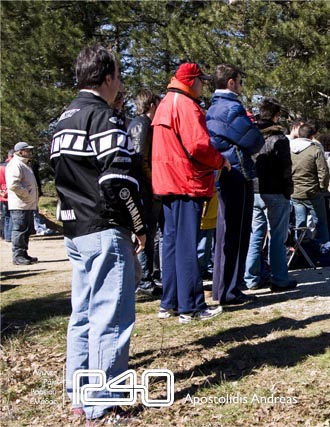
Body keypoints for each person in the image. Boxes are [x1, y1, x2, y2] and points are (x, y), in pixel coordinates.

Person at [51, 45, 146, 422]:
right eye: (118, 76)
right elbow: (118, 181)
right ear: (107, 78)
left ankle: (79, 393)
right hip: (104, 227)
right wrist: (139, 224)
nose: (120, 83)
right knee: (111, 316)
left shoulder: (63, 121)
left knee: (84, 313)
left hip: (75, 228)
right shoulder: (104, 118)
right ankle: (102, 403)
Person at [152, 62, 229, 322]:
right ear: (191, 81)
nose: (203, 85)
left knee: (172, 244)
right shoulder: (185, 105)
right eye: (201, 80)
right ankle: (191, 307)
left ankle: (170, 302)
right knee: (187, 245)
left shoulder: (165, 103)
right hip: (186, 182)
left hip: (167, 182)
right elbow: (198, 146)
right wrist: (220, 161)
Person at [207, 64, 265, 305]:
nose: (241, 86)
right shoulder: (231, 107)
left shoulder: (213, 107)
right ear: (230, 82)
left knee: (224, 233)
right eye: (240, 81)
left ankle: (221, 288)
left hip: (224, 172)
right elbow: (253, 140)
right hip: (237, 172)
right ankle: (230, 290)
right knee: (237, 233)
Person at [244, 97, 297, 292]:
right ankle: (279, 278)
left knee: (255, 235)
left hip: (255, 190)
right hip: (275, 191)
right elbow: (286, 168)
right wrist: (288, 189)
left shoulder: (251, 135)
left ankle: (251, 278)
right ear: (276, 115)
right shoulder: (280, 139)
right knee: (277, 236)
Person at [128, 89, 162, 296]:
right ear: (151, 105)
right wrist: (154, 182)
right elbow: (141, 159)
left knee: (150, 233)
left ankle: (148, 276)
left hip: (145, 187)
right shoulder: (142, 125)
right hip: (146, 189)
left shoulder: (140, 124)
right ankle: (144, 280)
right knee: (146, 233)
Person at [290, 124, 330, 254]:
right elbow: (323, 172)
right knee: (320, 222)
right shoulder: (315, 150)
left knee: (300, 223)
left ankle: (300, 251)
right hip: (313, 192)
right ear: (312, 136)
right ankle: (323, 250)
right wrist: (323, 187)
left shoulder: (289, 148)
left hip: (295, 192)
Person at [6, 142, 38, 264]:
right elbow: (13, 184)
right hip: (20, 204)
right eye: (27, 150)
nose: (29, 153)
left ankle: (23, 253)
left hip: (27, 203)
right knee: (19, 230)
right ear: (20, 152)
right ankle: (18, 255)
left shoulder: (24, 164)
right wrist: (27, 193)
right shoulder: (15, 164)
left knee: (26, 230)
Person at [1, 150, 15, 242]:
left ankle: (5, 236)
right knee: (12, 216)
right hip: (11, 194)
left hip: (2, 195)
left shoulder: (1, 167)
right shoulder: (12, 166)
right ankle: (9, 236)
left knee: (5, 216)